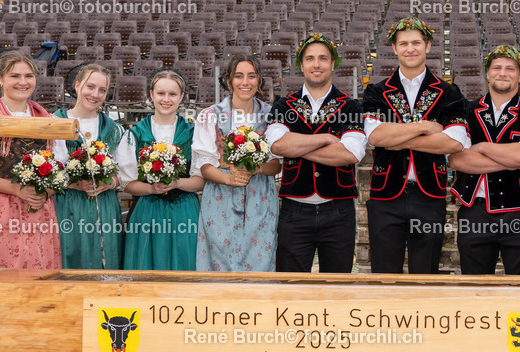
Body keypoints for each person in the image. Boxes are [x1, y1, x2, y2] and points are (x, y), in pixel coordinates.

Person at [0, 49, 61, 352]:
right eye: (15, 76)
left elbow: (59, 166)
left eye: (28, 76)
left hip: (38, 212)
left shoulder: (46, 117)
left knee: (36, 291)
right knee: (2, 291)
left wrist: (44, 189)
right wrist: (15, 188)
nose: (23, 82)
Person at [362, 18, 468, 274]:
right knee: (384, 277)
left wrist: (396, 138)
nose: (410, 48)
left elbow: (453, 142)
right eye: (404, 43)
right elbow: (376, 138)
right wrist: (424, 126)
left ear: (428, 46)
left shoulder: (448, 92)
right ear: (395, 49)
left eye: (416, 43)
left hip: (429, 194)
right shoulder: (376, 91)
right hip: (385, 195)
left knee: (425, 275)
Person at [266, 34, 365, 272]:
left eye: (323, 58)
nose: (316, 64)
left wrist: (297, 147)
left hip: (338, 210)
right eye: (310, 58)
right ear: (301, 65)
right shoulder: (283, 105)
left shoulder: (350, 106)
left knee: (337, 286)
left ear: (332, 64)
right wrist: (326, 139)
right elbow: (278, 146)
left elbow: (350, 154)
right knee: (290, 285)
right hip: (294, 210)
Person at [450, 45, 520, 275]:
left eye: (510, 68)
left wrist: (482, 147)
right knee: (475, 288)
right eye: (497, 68)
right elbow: (457, 160)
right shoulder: (466, 109)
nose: (502, 73)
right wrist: (512, 159)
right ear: (487, 73)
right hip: (474, 212)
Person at [193, 54, 281, 272]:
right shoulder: (210, 115)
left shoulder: (271, 115)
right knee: (221, 264)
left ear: (259, 81)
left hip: (260, 199)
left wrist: (256, 168)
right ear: (229, 81)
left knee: (260, 262)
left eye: (251, 76)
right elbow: (204, 165)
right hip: (221, 196)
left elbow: (277, 164)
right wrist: (229, 178)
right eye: (239, 76)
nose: (245, 82)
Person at [116, 70, 204, 271]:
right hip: (147, 210)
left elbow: (201, 180)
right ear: (151, 95)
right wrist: (151, 188)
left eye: (173, 94)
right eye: (160, 93)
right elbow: (127, 183)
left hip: (184, 211)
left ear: (182, 97)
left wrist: (177, 183)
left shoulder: (194, 133)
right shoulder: (134, 134)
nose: (166, 99)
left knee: (184, 267)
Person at [54, 64, 124, 270]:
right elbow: (50, 169)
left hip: (104, 204)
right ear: (77, 86)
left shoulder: (113, 128)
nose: (95, 94)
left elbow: (124, 175)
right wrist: (72, 182)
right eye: (90, 87)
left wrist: (109, 182)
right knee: (70, 258)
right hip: (68, 204)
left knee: (106, 262)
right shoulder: (54, 122)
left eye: (102, 90)